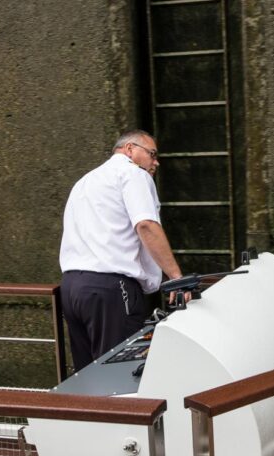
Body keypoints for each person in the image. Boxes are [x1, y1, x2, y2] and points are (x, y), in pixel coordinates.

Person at [59, 129, 187, 371]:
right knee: (118, 375)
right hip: (111, 288)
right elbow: (146, 225)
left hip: (72, 288)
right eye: (152, 154)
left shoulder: (84, 182)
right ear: (130, 149)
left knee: (87, 375)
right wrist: (176, 277)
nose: (155, 162)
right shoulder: (132, 174)